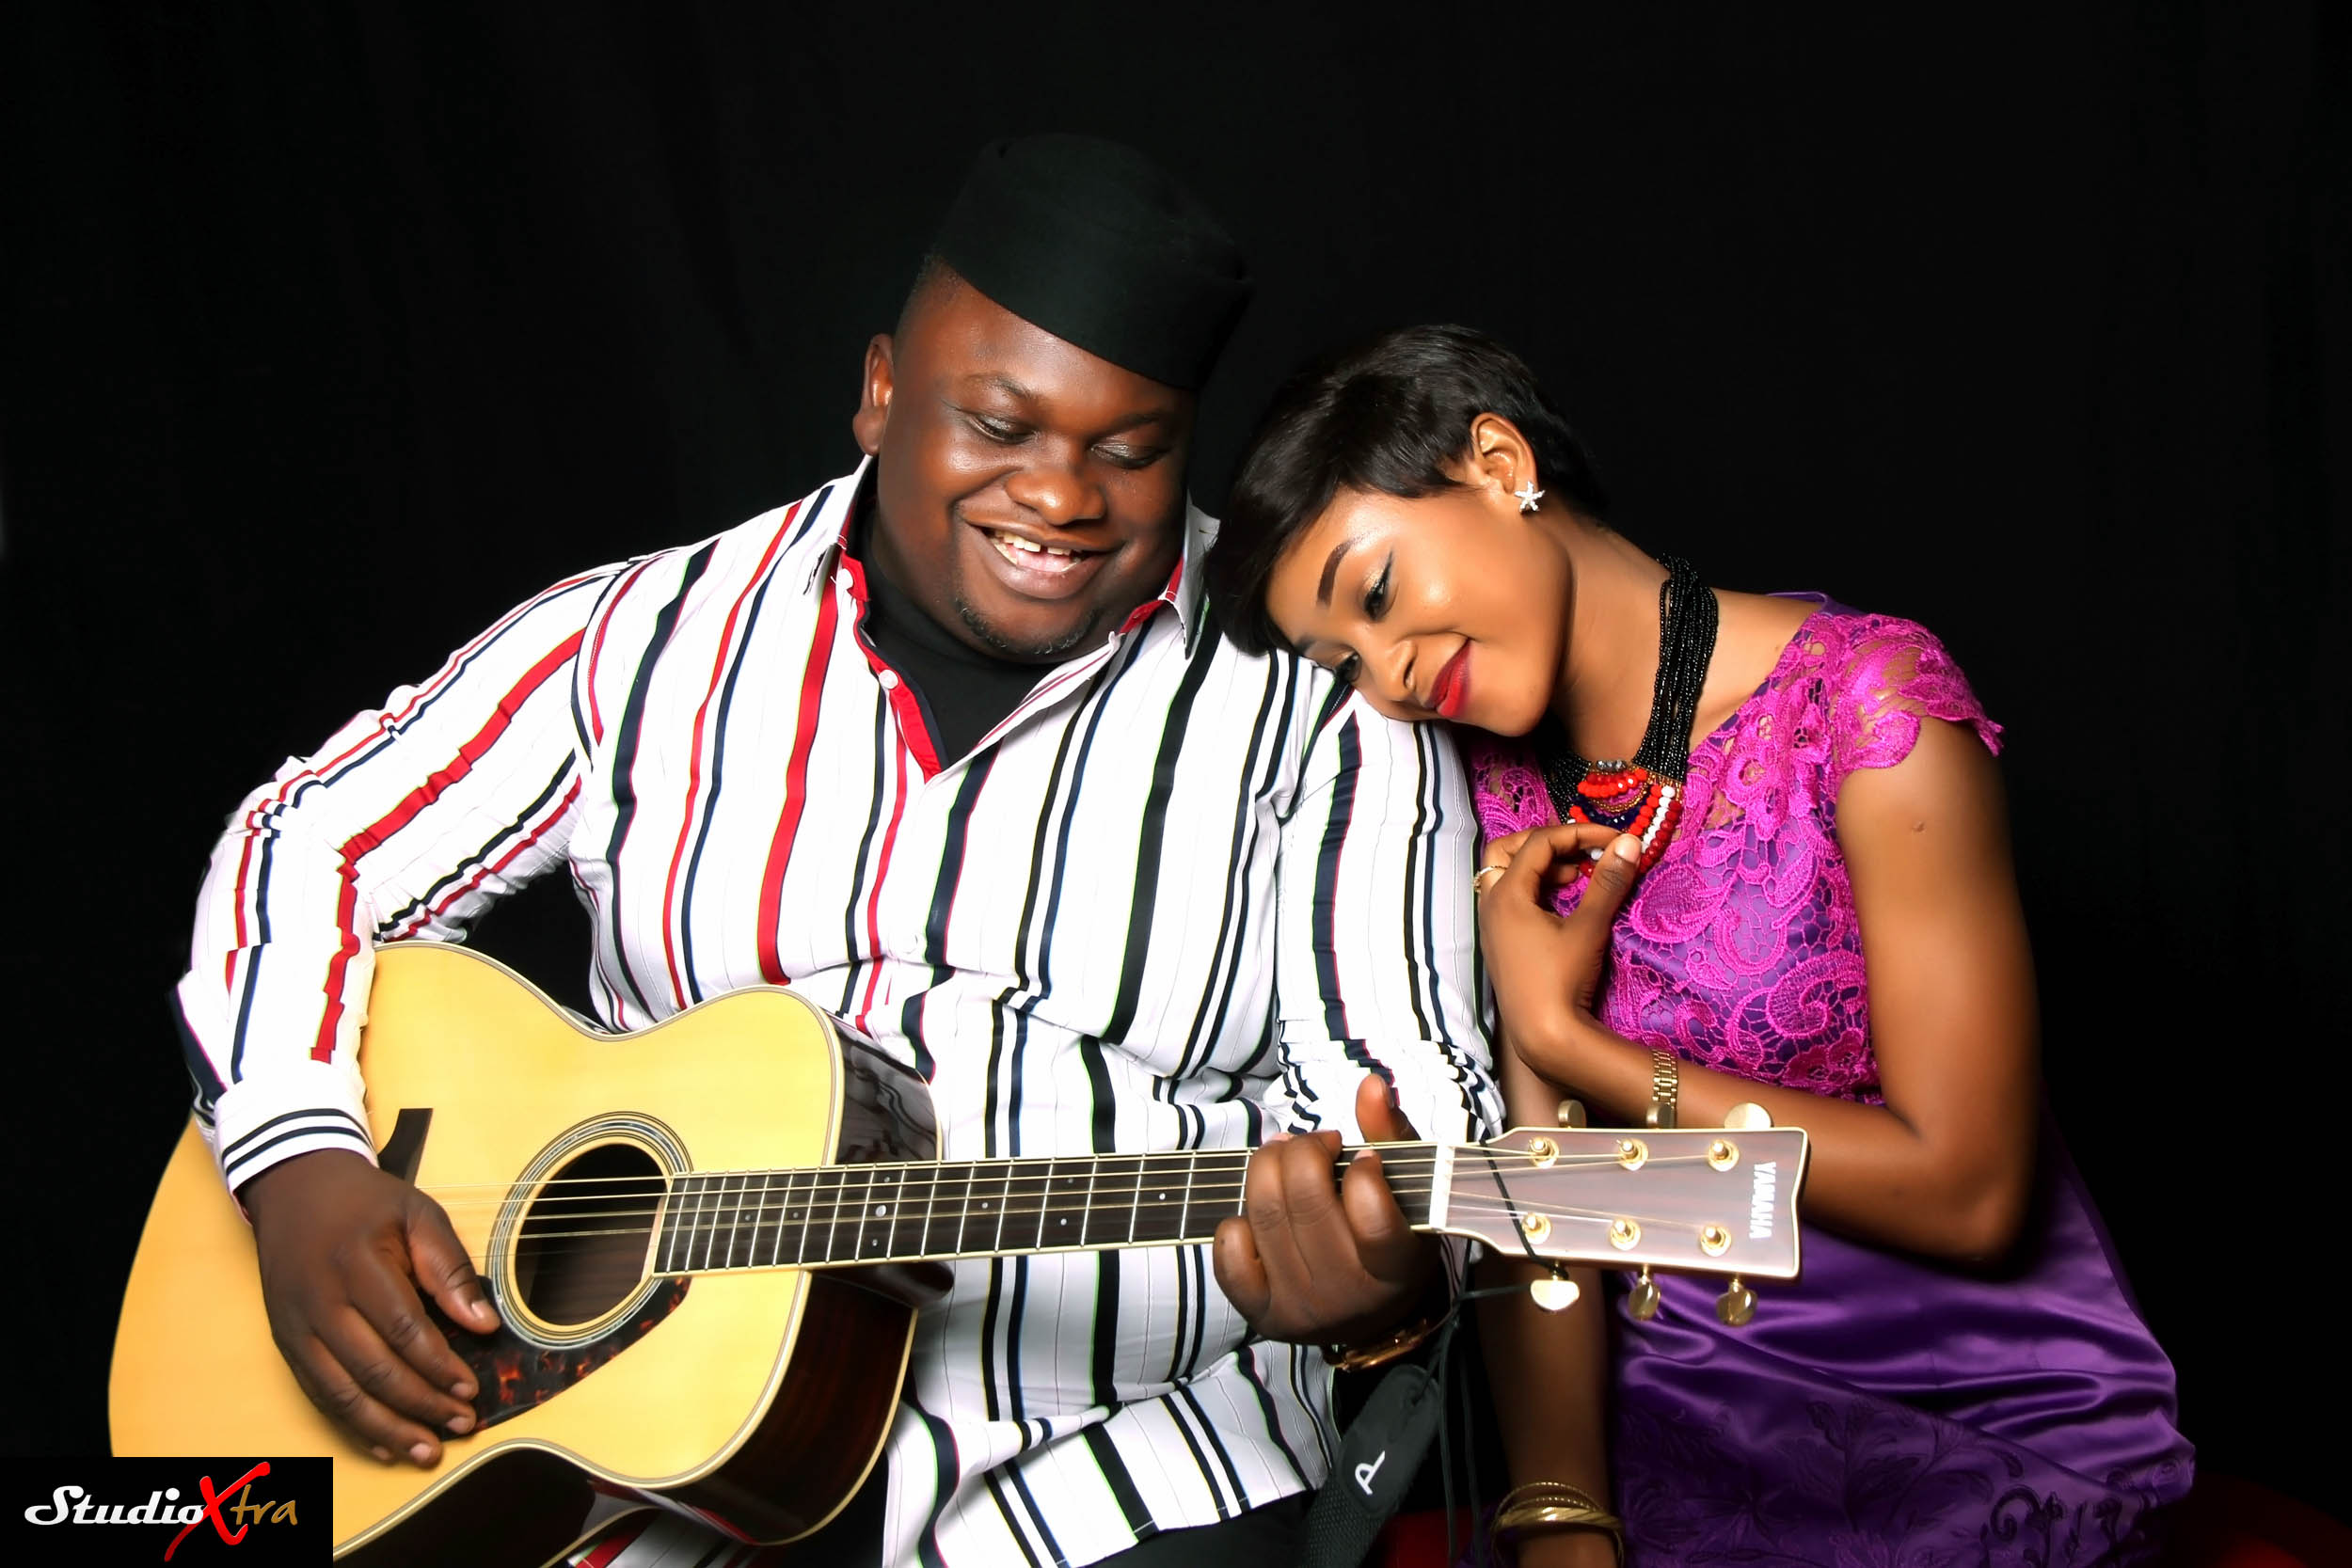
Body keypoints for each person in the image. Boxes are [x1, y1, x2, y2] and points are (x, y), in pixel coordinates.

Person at [172, 138, 1501, 1568]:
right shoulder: (642, 639)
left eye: (1130, 452)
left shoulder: (1326, 701)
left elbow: (1412, 1083)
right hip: (636, 1461)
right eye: (999, 426)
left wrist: (1381, 1269)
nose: (1062, 497)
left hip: (1133, 1474)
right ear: (880, 391)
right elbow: (310, 840)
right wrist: (298, 1158)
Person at [1206, 324, 2192, 1566]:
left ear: (1500, 466)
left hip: (1964, 1428)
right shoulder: (1489, 799)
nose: (1389, 677)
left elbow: (1972, 1196)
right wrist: (1561, 1511)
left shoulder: (1867, 706)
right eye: (1344, 660)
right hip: (1668, 1447)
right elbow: (1547, 1208)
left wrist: (1567, 1040)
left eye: (1380, 594)